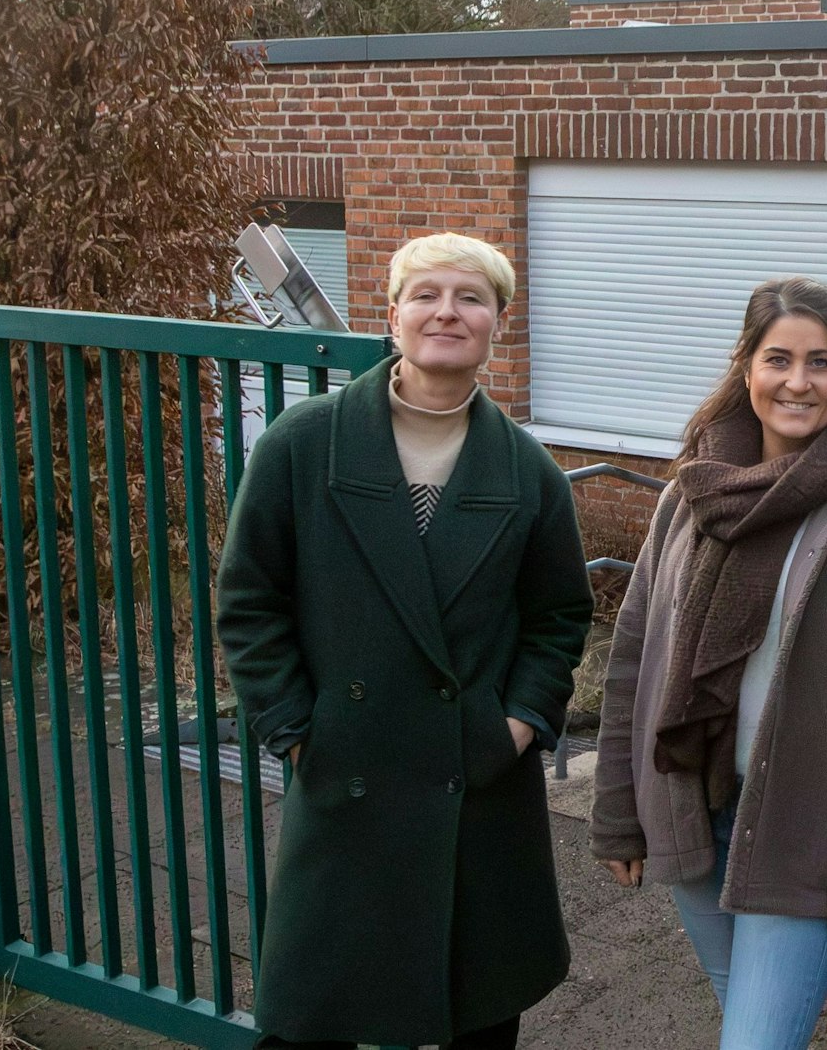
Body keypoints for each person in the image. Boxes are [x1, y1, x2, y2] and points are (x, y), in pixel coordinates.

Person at [217, 232, 594, 1049]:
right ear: (393, 317)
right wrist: (293, 727)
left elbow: (560, 616)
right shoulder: (302, 444)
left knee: (477, 1013)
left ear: (498, 323)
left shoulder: (530, 475)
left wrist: (519, 721)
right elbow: (249, 601)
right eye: (426, 294)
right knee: (313, 1016)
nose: (446, 311)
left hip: (477, 778)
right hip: (345, 768)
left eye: (469, 297)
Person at [590, 276, 827, 1050]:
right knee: (750, 1024)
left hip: (807, 828)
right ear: (747, 368)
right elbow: (634, 660)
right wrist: (620, 815)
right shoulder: (691, 496)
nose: (799, 382)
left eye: (820, 363)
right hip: (691, 803)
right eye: (778, 359)